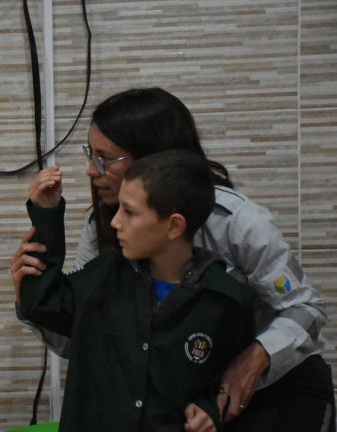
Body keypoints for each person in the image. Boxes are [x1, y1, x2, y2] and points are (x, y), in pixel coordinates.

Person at [12, 87, 335, 432]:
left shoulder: (235, 221)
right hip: (196, 406)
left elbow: (307, 308)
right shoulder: (103, 228)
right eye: (91, 154)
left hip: (275, 392)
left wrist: (255, 357)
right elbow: (86, 340)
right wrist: (33, 295)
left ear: (155, 159)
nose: (92, 170)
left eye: (106, 158)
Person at [15, 149, 257, 431]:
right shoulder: (104, 275)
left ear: (174, 226)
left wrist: (209, 409)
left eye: (129, 212)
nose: (115, 222)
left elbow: (227, 380)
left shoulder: (227, 301)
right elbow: (43, 304)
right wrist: (47, 216)